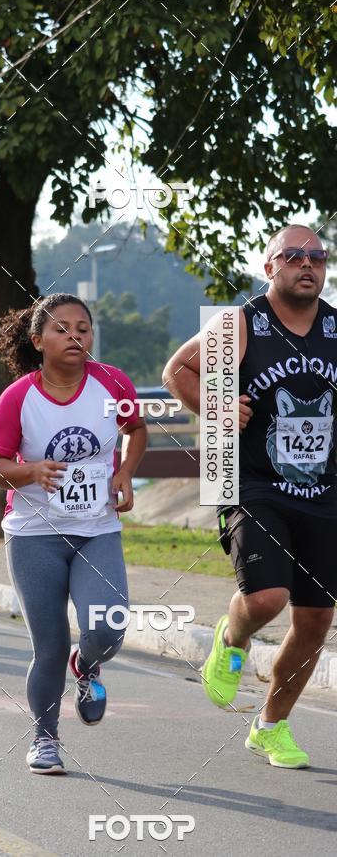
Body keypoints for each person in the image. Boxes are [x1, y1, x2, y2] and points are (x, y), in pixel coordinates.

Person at [164, 224, 337, 769]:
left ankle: (270, 727)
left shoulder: (336, 328)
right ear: (269, 267)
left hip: (323, 490)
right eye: (293, 256)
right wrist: (214, 405)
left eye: (317, 257)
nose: (306, 265)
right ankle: (232, 637)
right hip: (252, 483)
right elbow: (177, 371)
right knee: (268, 598)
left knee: (315, 623)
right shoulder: (241, 323)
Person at [0, 293, 146, 774]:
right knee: (49, 646)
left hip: (97, 528)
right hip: (35, 533)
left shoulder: (112, 382)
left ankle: (88, 664)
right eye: (62, 328)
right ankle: (45, 737)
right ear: (38, 341)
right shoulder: (19, 397)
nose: (76, 335)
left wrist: (125, 473)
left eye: (83, 327)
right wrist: (31, 471)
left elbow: (137, 429)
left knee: (109, 625)